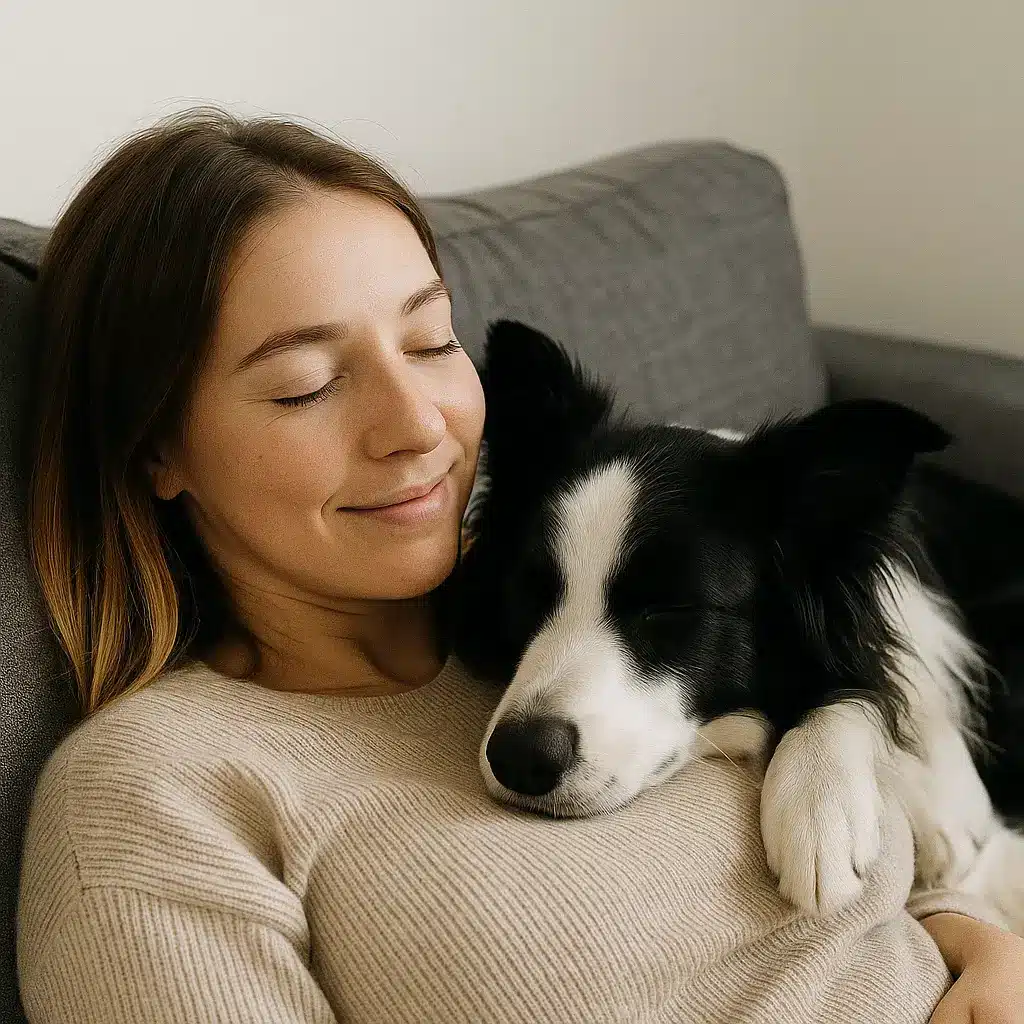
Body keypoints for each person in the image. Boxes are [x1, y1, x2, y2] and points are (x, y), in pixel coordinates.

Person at [15, 109, 1024, 1024]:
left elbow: (869, 882)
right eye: (306, 385)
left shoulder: (535, 607)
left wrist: (974, 937)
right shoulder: (156, 795)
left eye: (429, 341)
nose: (417, 428)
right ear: (158, 447)